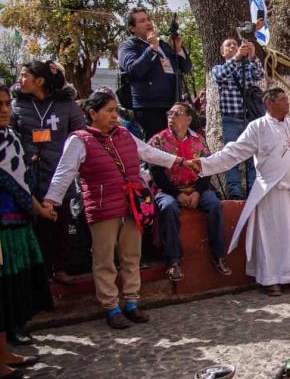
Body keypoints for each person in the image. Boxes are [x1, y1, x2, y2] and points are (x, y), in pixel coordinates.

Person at [44, 92, 190, 329]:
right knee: (104, 260)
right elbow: (64, 172)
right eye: (109, 111)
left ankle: (131, 302)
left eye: (115, 111)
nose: (115, 115)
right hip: (102, 207)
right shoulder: (79, 140)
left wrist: (180, 161)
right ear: (92, 114)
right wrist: (51, 201)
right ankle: (111, 307)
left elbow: (149, 153)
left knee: (131, 256)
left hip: (131, 205)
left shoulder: (124, 134)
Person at [190, 88, 290, 296]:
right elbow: (234, 152)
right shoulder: (257, 127)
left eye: (288, 99)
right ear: (269, 103)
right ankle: (271, 279)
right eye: (283, 100)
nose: (288, 104)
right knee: (271, 237)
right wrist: (205, 164)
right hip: (271, 191)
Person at [12, 61, 85, 289]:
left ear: (40, 80)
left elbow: (80, 134)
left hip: (59, 173)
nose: (20, 80)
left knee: (61, 223)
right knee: (36, 226)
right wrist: (28, 154)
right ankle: (39, 271)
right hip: (29, 175)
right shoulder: (16, 105)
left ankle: (60, 268)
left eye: (25, 75)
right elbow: (11, 135)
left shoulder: (66, 105)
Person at [0, 85, 56, 378]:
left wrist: (39, 209)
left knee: (13, 288)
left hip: (17, 223)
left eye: (7, 103)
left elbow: (20, 183)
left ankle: (5, 351)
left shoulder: (11, 140)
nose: (5, 109)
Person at [148, 103, 231, 282]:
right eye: (169, 113)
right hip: (169, 190)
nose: (171, 117)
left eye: (176, 114)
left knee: (214, 205)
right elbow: (155, 172)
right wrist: (177, 194)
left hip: (196, 187)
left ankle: (218, 255)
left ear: (188, 119)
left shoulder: (198, 140)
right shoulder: (158, 140)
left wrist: (197, 193)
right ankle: (173, 261)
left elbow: (207, 168)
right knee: (168, 208)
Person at [117, 7, 192, 139]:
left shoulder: (162, 44)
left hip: (172, 103)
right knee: (156, 145)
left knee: (175, 143)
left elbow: (185, 67)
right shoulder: (128, 46)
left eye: (148, 19)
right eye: (142, 21)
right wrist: (151, 49)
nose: (148, 23)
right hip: (149, 107)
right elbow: (135, 70)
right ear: (132, 28)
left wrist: (178, 49)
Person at [212, 38, 264, 200]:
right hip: (231, 120)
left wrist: (253, 56)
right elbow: (221, 76)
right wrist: (237, 58)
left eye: (235, 44)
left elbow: (259, 75)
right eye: (228, 45)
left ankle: (255, 189)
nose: (233, 46)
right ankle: (234, 192)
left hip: (250, 119)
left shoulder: (246, 68)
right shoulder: (218, 68)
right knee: (232, 156)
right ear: (222, 52)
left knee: (252, 157)